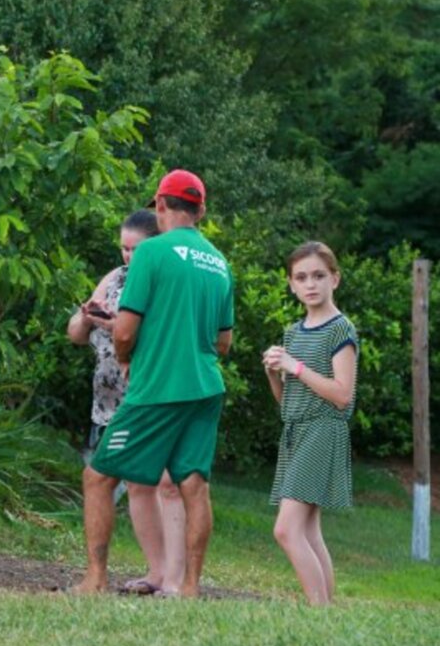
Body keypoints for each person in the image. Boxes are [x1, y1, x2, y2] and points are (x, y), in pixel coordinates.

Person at [73, 169, 234, 598]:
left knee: (98, 477)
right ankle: (190, 588)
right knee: (194, 484)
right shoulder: (219, 262)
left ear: (161, 206)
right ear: (200, 210)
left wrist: (126, 360)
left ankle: (95, 579)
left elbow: (124, 332)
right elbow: (224, 341)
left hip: (157, 387)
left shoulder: (151, 253)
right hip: (206, 388)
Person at [66, 209, 186, 595]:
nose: (129, 256)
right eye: (124, 248)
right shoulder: (115, 278)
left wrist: (119, 325)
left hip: (149, 395)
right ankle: (156, 571)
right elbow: (74, 333)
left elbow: (156, 337)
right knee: (136, 485)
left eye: (137, 248)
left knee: (167, 482)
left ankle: (176, 579)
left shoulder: (163, 281)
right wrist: (90, 318)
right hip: (109, 401)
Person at [262, 242, 357, 606]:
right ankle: (328, 610)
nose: (311, 284)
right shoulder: (293, 332)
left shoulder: (340, 329)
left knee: (286, 530)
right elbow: (288, 401)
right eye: (301, 278)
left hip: (323, 429)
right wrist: (274, 371)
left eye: (319, 275)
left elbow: (342, 394)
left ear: (335, 278)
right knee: (308, 530)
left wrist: (295, 367)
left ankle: (319, 610)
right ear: (291, 285)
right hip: (296, 431)